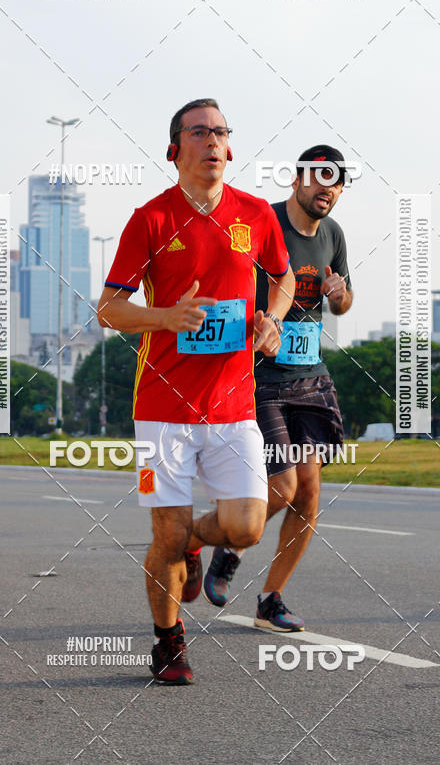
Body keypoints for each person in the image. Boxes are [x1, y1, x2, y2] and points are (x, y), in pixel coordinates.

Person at [97, 98, 295, 684]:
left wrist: (273, 320)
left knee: (247, 526)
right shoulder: (150, 219)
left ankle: (192, 545)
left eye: (221, 132)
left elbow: (281, 278)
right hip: (162, 411)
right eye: (199, 132)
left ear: (230, 148)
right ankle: (168, 643)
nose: (213, 141)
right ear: (175, 148)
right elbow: (109, 309)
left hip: (233, 407)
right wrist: (166, 317)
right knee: (166, 533)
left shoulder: (256, 214)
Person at [203, 144, 353, 630]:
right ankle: (226, 546)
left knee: (309, 493)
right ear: (297, 179)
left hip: (310, 375)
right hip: (262, 376)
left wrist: (339, 294)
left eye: (335, 182)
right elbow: (225, 279)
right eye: (318, 178)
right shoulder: (261, 221)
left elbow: (345, 303)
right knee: (284, 486)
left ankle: (271, 600)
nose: (325, 189)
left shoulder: (332, 235)